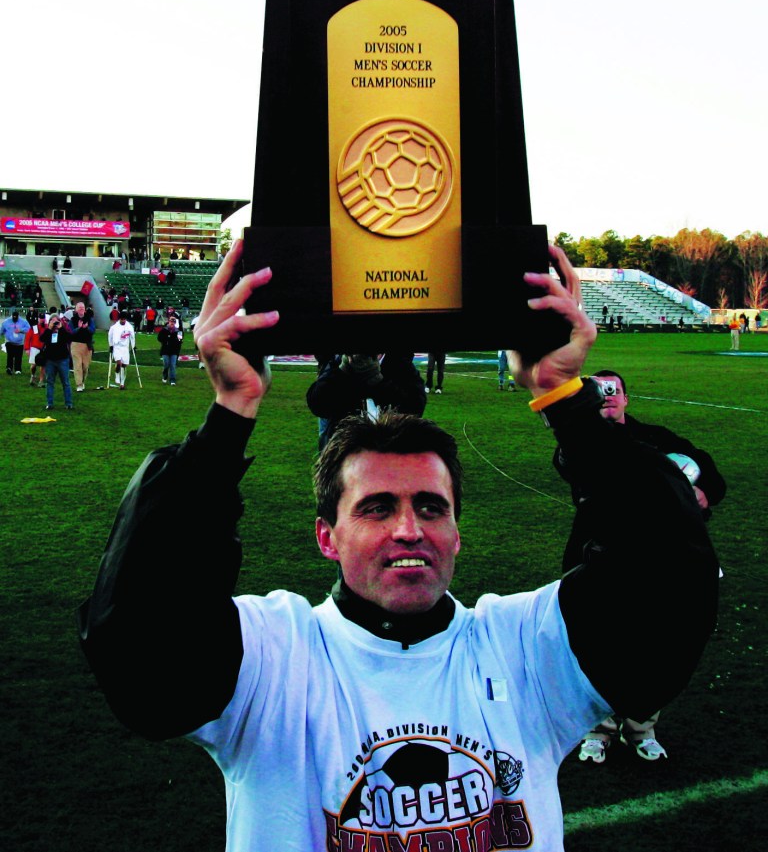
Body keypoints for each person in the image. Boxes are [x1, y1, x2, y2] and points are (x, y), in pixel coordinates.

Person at [78, 242, 719, 852]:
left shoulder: (525, 650)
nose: (408, 529)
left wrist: (563, 398)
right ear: (327, 536)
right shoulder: (276, 657)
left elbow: (671, 579)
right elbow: (135, 641)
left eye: (431, 507)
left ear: (457, 534)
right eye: (377, 508)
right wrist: (228, 414)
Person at [554, 368, 726, 764]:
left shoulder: (660, 439)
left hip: (660, 564)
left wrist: (701, 493)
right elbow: (569, 462)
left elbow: (711, 475)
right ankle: (597, 730)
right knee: (600, 643)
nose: (609, 396)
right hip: (600, 560)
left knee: (656, 642)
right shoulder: (583, 445)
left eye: (615, 390)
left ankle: (641, 727)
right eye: (599, 391)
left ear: (627, 399)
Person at [306, 350, 426, 450]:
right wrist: (341, 372)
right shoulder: (342, 361)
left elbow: (415, 407)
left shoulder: (399, 361)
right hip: (344, 452)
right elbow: (318, 404)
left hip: (389, 451)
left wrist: (377, 381)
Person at [40, 313, 73, 410]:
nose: (55, 324)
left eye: (56, 321)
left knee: (65, 382)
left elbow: (69, 338)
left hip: (62, 359)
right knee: (50, 382)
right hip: (50, 360)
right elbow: (42, 339)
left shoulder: (62, 331)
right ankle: (49, 403)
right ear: (49, 322)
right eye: (52, 321)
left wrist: (61, 328)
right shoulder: (48, 332)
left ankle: (68, 403)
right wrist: (49, 329)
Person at [68, 302, 95, 392]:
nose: (81, 309)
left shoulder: (89, 319)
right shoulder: (72, 320)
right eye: (79, 307)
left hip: (87, 345)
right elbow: (70, 332)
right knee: (77, 365)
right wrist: (79, 328)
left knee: (85, 366)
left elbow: (93, 330)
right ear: (76, 309)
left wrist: (86, 328)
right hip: (76, 344)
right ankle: (78, 384)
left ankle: (82, 381)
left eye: (83, 307)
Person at [107, 310, 135, 389]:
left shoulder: (129, 327)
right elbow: (110, 336)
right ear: (120, 319)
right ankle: (117, 375)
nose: (123, 321)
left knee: (124, 365)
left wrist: (133, 346)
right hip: (117, 347)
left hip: (125, 348)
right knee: (118, 363)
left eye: (124, 319)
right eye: (122, 319)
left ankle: (122, 383)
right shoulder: (114, 327)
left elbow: (132, 337)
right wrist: (111, 345)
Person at [2, 310, 31, 374]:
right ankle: (9, 368)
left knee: (18, 356)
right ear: (12, 316)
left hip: (19, 343)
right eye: (13, 317)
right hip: (9, 341)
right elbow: (2, 330)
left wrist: (21, 330)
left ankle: (18, 370)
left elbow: (29, 329)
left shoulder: (23, 321)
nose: (14, 319)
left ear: (18, 316)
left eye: (16, 318)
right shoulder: (6, 322)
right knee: (10, 355)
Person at [158, 315, 183, 386]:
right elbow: (159, 338)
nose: (172, 323)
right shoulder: (164, 330)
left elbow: (180, 340)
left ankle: (172, 379)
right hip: (165, 350)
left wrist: (176, 341)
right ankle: (165, 375)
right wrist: (166, 340)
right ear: (168, 322)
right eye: (171, 321)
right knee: (166, 364)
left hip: (174, 351)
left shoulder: (178, 331)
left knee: (172, 365)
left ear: (175, 323)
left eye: (173, 322)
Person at [24, 314, 47, 387]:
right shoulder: (33, 328)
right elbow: (28, 338)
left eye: (43, 318)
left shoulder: (47, 327)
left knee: (43, 365)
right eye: (40, 318)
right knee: (33, 364)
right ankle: (32, 376)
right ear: (38, 319)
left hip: (44, 349)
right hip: (35, 348)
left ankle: (41, 381)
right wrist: (27, 349)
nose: (42, 320)